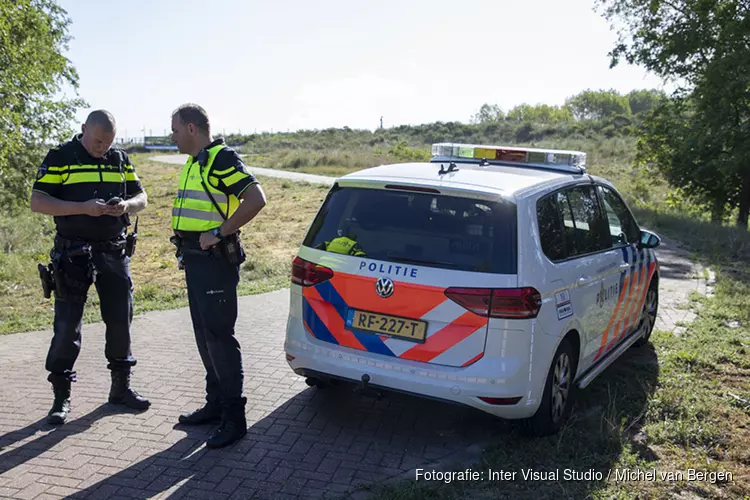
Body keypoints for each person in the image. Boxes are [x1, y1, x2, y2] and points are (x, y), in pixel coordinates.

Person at [30, 110, 151, 425]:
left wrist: (126, 205)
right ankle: (60, 399)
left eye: (108, 142)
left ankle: (121, 390)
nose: (102, 148)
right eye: (98, 141)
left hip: (113, 251)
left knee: (120, 322)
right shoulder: (60, 157)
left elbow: (142, 196)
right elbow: (38, 201)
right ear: (83, 129)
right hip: (72, 254)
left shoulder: (119, 158)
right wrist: (81, 208)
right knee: (67, 327)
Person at [169, 103, 267, 448]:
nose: (172, 136)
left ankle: (234, 419)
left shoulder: (220, 158)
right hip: (195, 261)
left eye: (175, 129)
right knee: (204, 335)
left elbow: (256, 199)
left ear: (192, 129)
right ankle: (214, 406)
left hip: (214, 263)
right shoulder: (196, 162)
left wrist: (221, 233)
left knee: (220, 338)